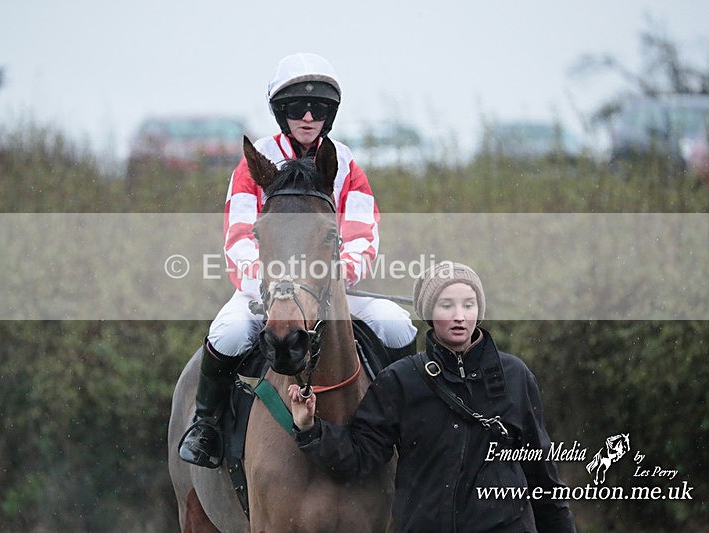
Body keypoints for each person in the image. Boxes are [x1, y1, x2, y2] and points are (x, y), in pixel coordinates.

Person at [178, 52, 417, 468]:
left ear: (331, 114)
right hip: (267, 292)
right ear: (280, 112)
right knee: (229, 334)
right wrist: (275, 289)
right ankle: (206, 427)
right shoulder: (254, 165)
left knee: (396, 325)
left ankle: (414, 424)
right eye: (296, 109)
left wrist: (336, 275)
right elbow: (239, 238)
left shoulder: (345, 164)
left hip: (331, 288)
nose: (308, 117)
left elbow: (363, 232)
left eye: (319, 109)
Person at [289, 261, 576, 532]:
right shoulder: (400, 380)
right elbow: (360, 456)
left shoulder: (515, 375)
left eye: (468, 304)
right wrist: (310, 429)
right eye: (447, 305)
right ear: (429, 312)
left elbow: (543, 476)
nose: (459, 316)